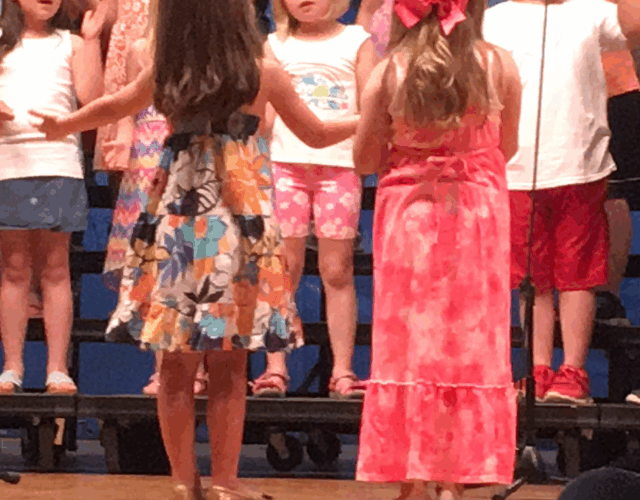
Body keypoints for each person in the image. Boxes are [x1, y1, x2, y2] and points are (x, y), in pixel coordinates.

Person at [30, 0, 359, 498]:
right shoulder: (261, 71)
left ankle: (185, 481)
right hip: (238, 223)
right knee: (230, 362)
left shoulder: (168, 71)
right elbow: (317, 133)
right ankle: (225, 480)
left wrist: (63, 125)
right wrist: (373, 117)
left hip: (179, 221)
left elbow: (114, 105)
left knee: (176, 363)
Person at [352, 0, 522, 498]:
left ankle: (413, 477)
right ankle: (455, 477)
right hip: (478, 216)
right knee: (471, 346)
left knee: (411, 345)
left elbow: (364, 158)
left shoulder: (389, 71)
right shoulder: (499, 64)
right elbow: (506, 146)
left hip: (410, 219)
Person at [483, 0, 634, 405]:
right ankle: (537, 368)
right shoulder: (492, 19)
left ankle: (573, 370)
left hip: (580, 167)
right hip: (516, 169)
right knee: (531, 279)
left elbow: (633, 27)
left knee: (577, 275)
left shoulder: (592, 11)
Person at [249, 0, 377, 399]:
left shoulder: (357, 40)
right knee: (283, 267)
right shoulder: (275, 44)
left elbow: (371, 105)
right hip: (284, 167)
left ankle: (342, 370)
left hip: (339, 169)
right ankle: (275, 367)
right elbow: (265, 117)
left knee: (337, 269)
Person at [99, 2, 208, 397]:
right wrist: (123, 137)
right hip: (148, 158)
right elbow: (129, 107)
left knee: (195, 259)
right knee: (157, 266)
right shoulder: (141, 48)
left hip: (194, 150)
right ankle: (165, 367)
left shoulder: (210, 50)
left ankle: (200, 367)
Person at [0, 0, 106, 394]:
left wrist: (92, 40)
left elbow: (91, 96)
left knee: (56, 269)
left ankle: (57, 368)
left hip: (59, 164)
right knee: (14, 270)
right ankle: (12, 366)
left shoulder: (71, 42)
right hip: (9, 163)